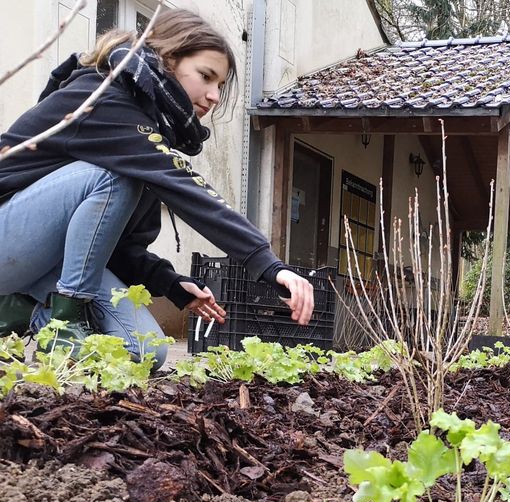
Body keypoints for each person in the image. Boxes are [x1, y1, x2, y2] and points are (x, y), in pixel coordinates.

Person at [0, 9, 315, 367]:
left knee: (144, 351)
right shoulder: (104, 99)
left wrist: (172, 285)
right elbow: (186, 188)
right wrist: (269, 264)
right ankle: (63, 322)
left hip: (46, 261)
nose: (213, 96)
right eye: (206, 77)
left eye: (221, 86)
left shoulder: (147, 141)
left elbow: (107, 248)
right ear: (167, 59)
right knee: (109, 178)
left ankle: (27, 314)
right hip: (8, 234)